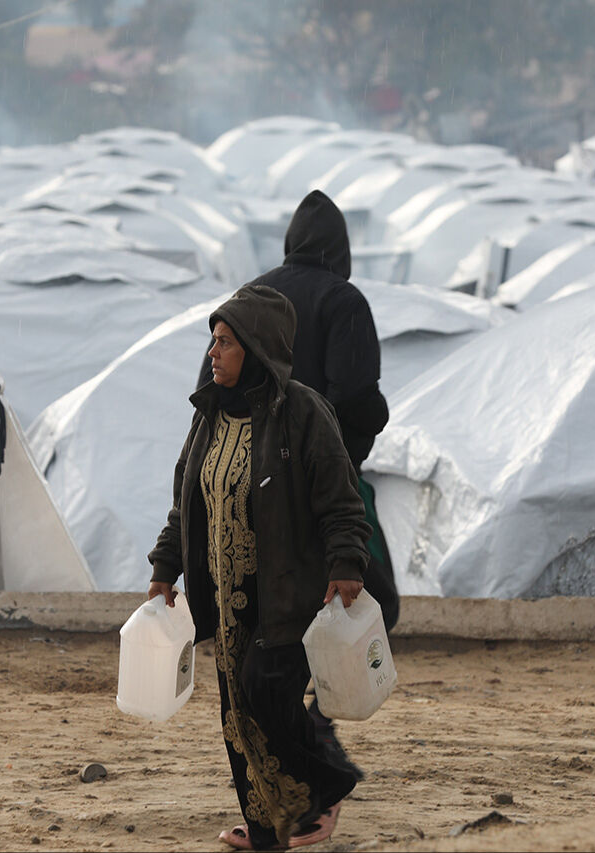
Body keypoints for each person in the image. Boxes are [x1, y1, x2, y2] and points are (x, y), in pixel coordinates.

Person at [149, 284, 372, 850]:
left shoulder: (301, 412)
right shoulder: (208, 416)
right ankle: (268, 829)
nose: (213, 354)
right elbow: (186, 502)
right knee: (236, 712)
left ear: (253, 347)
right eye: (212, 342)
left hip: (286, 593)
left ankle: (327, 783)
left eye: (224, 342)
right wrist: (165, 567)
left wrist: (347, 561)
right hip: (224, 597)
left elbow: (340, 498)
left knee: (265, 692)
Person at [201, 189, 399, 778]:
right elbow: (358, 398)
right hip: (317, 485)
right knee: (367, 599)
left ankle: (290, 759)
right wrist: (341, 459)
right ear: (341, 251)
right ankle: (316, 750)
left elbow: (214, 399)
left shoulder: (250, 298)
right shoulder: (344, 301)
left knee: (266, 622)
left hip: (246, 487)